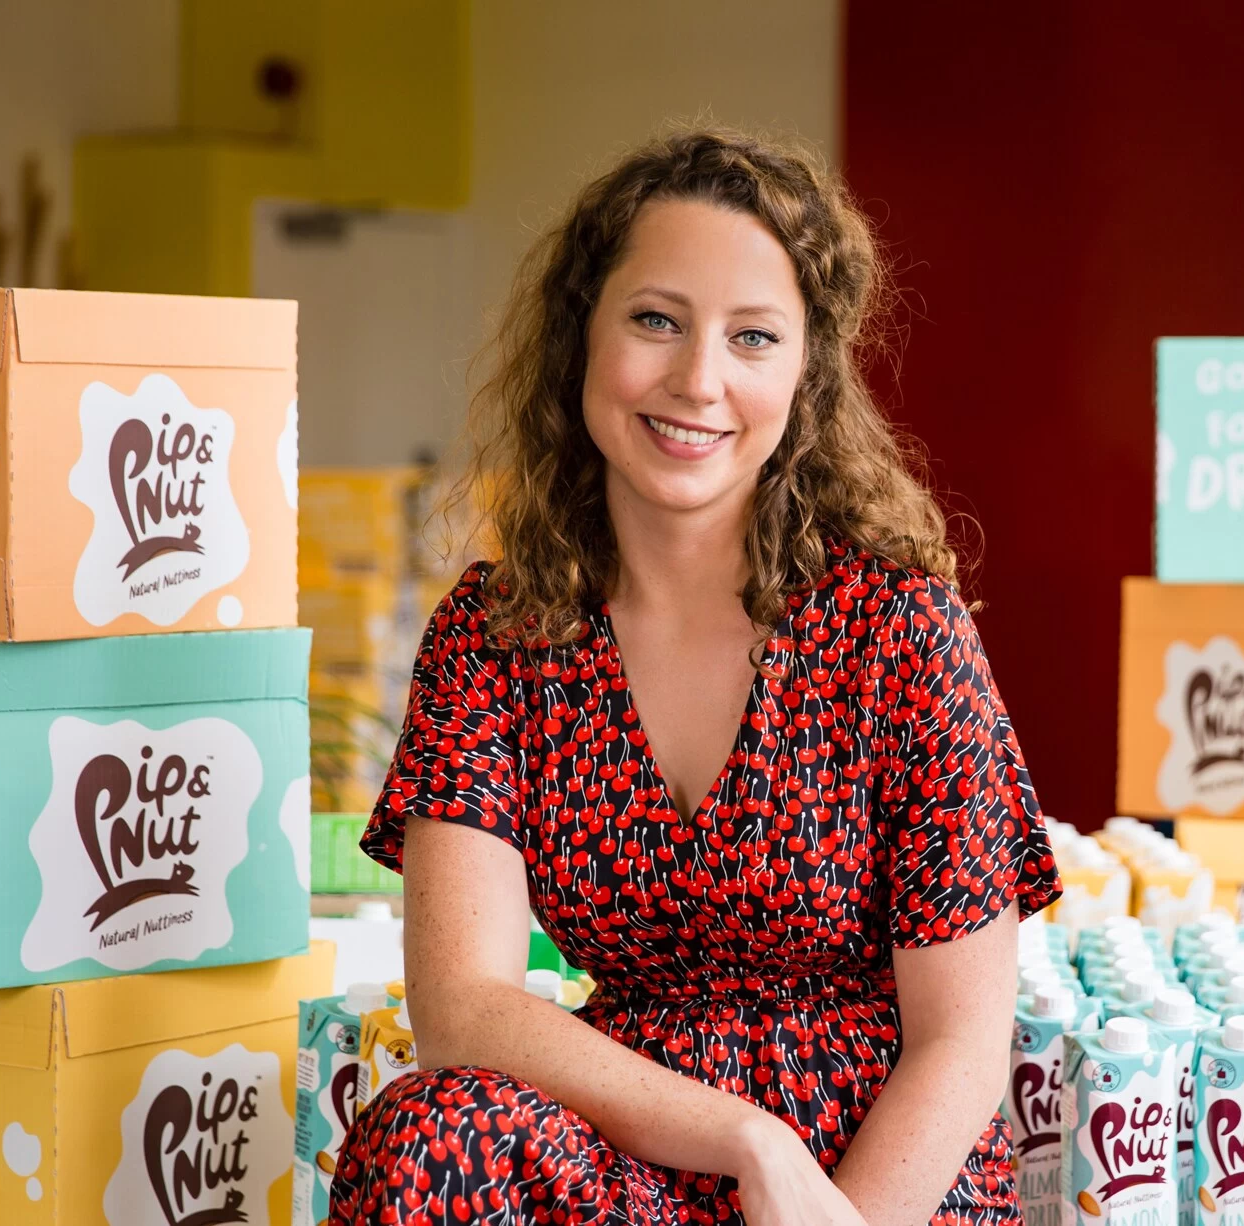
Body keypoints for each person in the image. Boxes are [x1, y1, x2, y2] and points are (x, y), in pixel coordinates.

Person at [333, 128, 1060, 1226]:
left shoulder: (899, 631)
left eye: (753, 337)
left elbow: (962, 1035)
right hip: (630, 1141)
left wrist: (824, 1203)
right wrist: (744, 1137)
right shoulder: (496, 638)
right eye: (656, 319)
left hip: (877, 1176)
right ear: (583, 330)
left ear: (805, 375)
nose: (697, 380)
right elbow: (464, 1009)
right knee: (430, 1134)